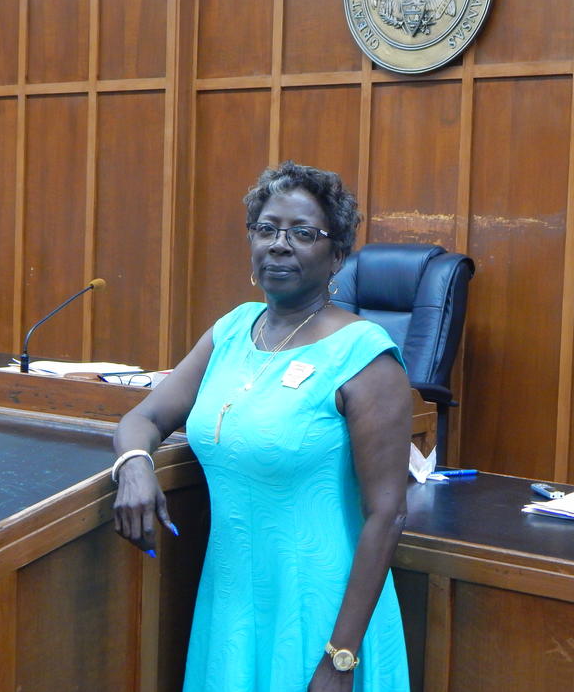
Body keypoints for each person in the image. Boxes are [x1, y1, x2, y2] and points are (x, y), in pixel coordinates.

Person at [111, 161, 412, 691]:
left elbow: (386, 515)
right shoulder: (231, 330)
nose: (278, 244)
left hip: (322, 610)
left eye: (302, 233)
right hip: (232, 604)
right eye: (267, 228)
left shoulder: (366, 358)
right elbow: (146, 416)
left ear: (337, 253)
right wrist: (134, 463)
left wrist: (340, 658)